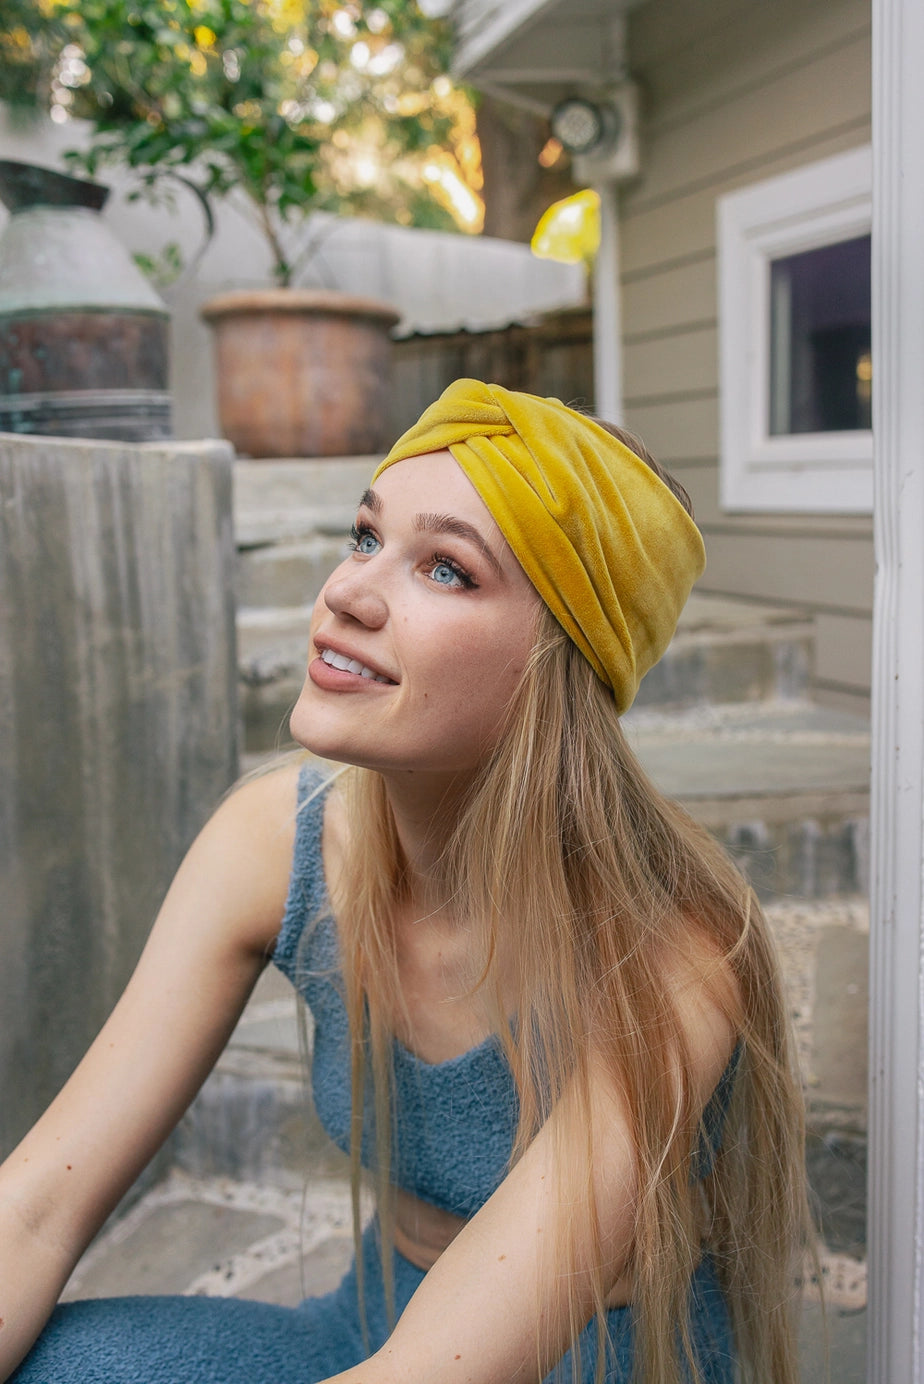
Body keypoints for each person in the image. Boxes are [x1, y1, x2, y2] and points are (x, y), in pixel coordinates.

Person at [0, 380, 812, 1384]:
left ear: (559, 665)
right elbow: (32, 1210)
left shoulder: (677, 953)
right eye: (364, 536)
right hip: (373, 1329)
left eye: (446, 568)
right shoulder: (276, 843)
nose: (349, 591)